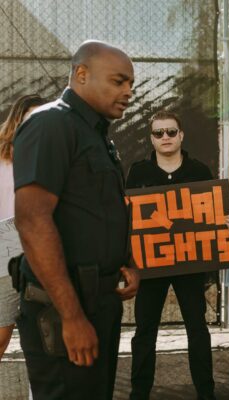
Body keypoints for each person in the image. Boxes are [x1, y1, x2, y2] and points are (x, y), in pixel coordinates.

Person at [13, 40, 139, 399]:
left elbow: (96, 211)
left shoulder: (96, 135)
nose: (128, 92)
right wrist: (70, 316)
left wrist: (125, 262)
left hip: (99, 302)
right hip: (63, 308)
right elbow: (33, 221)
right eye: (118, 81)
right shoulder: (50, 125)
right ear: (81, 74)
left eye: (131, 83)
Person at [126, 110, 229, 400]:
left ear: (181, 136)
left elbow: (215, 214)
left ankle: (206, 392)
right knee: (144, 330)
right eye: (159, 132)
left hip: (190, 263)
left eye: (171, 132)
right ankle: (139, 394)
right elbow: (128, 218)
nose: (165, 137)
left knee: (197, 327)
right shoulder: (138, 172)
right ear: (151, 138)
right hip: (151, 265)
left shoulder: (199, 171)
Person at [0, 94, 45, 361]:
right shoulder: (2, 155)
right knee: (2, 337)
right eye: (30, 117)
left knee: (43, 339)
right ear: (17, 118)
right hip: (5, 254)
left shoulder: (53, 155)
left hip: (43, 252)